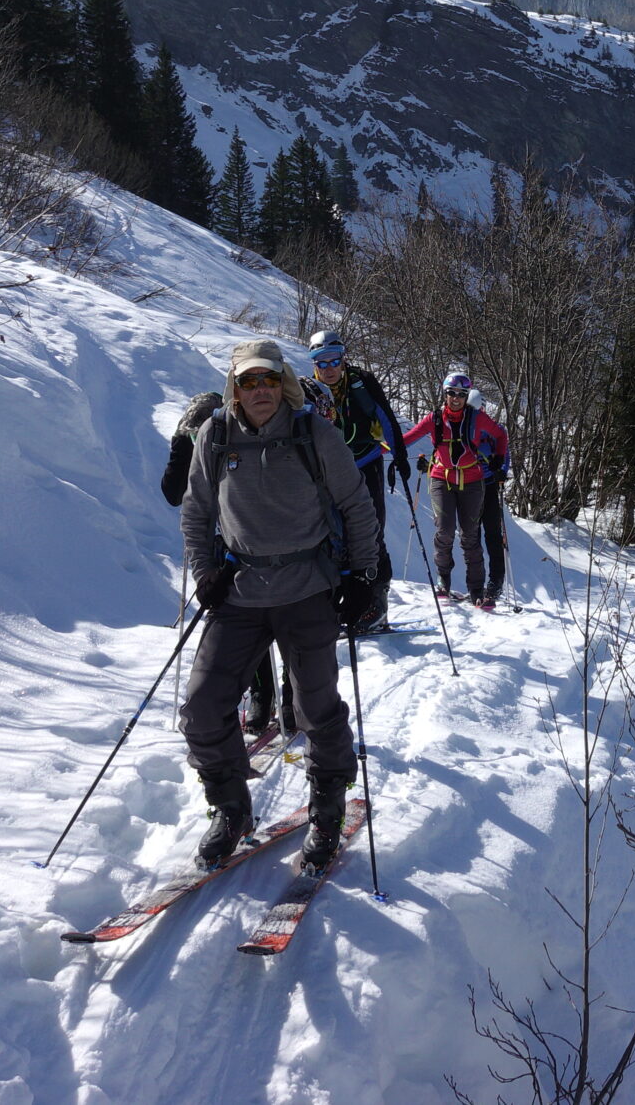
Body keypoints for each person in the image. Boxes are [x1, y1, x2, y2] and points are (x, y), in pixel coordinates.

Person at [178, 339, 387, 872]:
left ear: (283, 382)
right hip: (240, 593)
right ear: (234, 388)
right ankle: (230, 810)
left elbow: (356, 505)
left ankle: (326, 811)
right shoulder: (215, 434)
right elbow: (197, 511)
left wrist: (363, 575)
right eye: (248, 382)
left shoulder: (313, 432)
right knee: (202, 708)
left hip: (307, 590)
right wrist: (206, 573)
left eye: (268, 379)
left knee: (317, 711)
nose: (260, 390)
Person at [161, 390, 284, 737]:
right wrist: (180, 446)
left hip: (247, 545)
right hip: (211, 547)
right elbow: (172, 494)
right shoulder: (191, 443)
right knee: (229, 624)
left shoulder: (239, 441)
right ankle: (248, 698)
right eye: (194, 431)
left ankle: (273, 695)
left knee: (264, 618)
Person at [306, 330, 406, 622]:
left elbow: (385, 416)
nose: (329, 369)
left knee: (371, 529)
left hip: (366, 461)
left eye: (334, 361)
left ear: (342, 358)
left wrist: (399, 455)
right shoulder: (307, 389)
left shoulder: (362, 382)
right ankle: (344, 599)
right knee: (334, 533)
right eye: (321, 362)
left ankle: (377, 600)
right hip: (329, 471)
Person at [398, 371, 510, 604]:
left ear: (466, 396)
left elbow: (501, 436)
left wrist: (500, 460)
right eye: (451, 393)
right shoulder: (435, 418)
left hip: (475, 482)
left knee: (472, 535)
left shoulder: (477, 419)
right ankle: (443, 579)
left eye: (461, 394)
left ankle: (479, 588)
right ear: (445, 393)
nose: (456, 398)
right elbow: (407, 438)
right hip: (443, 478)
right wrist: (379, 449)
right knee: (445, 530)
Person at [472, 388, 516, 608]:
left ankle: (495, 583)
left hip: (488, 485)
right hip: (468, 487)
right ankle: (476, 585)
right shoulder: (459, 426)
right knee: (470, 537)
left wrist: (502, 470)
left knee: (492, 535)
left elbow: (504, 452)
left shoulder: (493, 429)